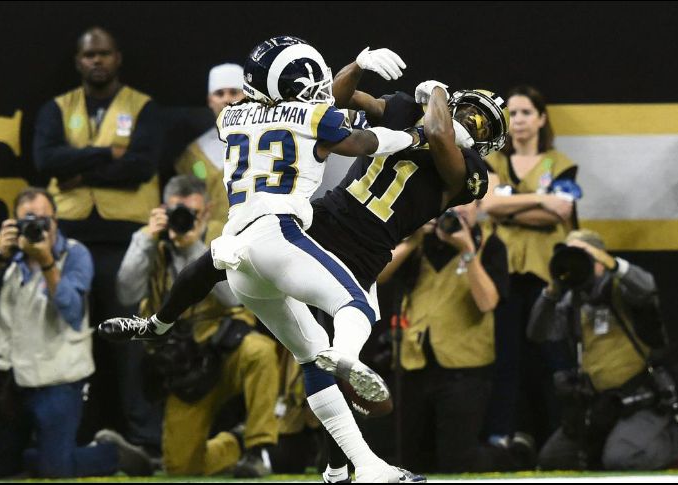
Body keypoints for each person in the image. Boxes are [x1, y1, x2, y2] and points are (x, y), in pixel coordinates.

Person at [101, 42, 507, 481]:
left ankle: (336, 465)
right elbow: (335, 99)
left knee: (318, 355)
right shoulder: (405, 110)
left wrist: (438, 98)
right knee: (346, 332)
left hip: (360, 245)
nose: (471, 124)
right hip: (328, 226)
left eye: (480, 123)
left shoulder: (468, 172)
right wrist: (358, 67)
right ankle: (346, 453)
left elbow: (441, 136)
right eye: (470, 112)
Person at [0, 188, 152, 478]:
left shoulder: (75, 254)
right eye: (28, 220)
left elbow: (72, 311)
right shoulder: (9, 259)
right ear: (14, 224)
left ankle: (111, 454)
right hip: (12, 380)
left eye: (43, 220)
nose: (37, 227)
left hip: (59, 380)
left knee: (56, 471)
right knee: (5, 469)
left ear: (56, 221)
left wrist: (47, 262)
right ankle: (53, 454)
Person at [32, 26, 163, 452]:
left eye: (104, 53)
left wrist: (79, 172)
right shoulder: (56, 107)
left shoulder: (142, 106)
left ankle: (146, 440)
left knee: (130, 342)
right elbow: (45, 160)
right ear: (78, 61)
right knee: (68, 337)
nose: (97, 61)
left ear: (117, 58)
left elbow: (142, 167)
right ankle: (68, 440)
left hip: (127, 239)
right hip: (68, 240)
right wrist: (109, 155)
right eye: (89, 55)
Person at [116, 174, 279, 477]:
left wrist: (195, 251)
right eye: (177, 212)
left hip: (227, 348)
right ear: (163, 209)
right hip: (187, 363)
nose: (184, 219)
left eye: (191, 213)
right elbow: (126, 292)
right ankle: (237, 443)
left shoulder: (226, 236)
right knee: (181, 467)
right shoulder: (153, 242)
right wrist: (144, 241)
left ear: (207, 210)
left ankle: (258, 448)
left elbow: (233, 299)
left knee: (261, 351)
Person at [376, 201, 537, 472]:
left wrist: (467, 251)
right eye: (454, 204)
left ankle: (512, 454)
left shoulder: (491, 245)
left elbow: (487, 302)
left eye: (467, 205)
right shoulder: (420, 242)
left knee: (457, 462)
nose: (459, 211)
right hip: (413, 362)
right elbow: (378, 276)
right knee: (407, 459)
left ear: (479, 208)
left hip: (465, 368)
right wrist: (412, 241)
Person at [527, 229, 678, 471]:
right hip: (598, 403)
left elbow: (648, 288)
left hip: (641, 398)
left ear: (599, 259)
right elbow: (538, 333)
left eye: (581, 255)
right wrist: (551, 291)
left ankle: (675, 444)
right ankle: (612, 442)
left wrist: (612, 264)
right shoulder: (571, 300)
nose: (576, 261)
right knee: (554, 460)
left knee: (622, 460)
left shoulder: (620, 288)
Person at [480, 85, 579, 448]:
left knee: (552, 357)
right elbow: (488, 205)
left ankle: (562, 437)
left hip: (546, 274)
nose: (518, 120)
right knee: (506, 359)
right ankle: (500, 436)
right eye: (513, 113)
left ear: (541, 118)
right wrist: (542, 199)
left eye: (525, 112)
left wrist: (512, 203)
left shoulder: (560, 162)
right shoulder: (493, 161)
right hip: (503, 272)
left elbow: (563, 211)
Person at [174, 63, 246, 239]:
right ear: (210, 100)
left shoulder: (267, 140)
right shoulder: (195, 153)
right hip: (211, 245)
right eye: (219, 93)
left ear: (246, 96)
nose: (226, 99)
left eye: (234, 92)